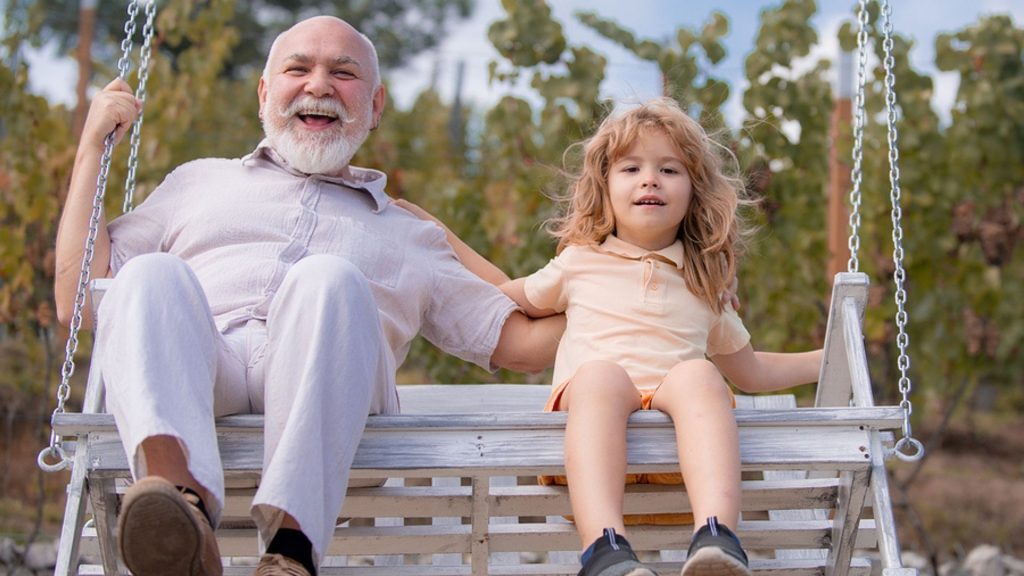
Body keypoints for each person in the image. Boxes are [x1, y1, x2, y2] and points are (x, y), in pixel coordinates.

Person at [54, 15, 561, 576]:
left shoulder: (410, 233)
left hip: (333, 401)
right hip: (204, 369)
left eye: (343, 74)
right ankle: (182, 521)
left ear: (375, 106)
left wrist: (645, 283)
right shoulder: (196, 181)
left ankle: (291, 555)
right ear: (266, 93)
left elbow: (523, 344)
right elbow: (80, 297)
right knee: (148, 274)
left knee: (329, 279)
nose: (319, 85)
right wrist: (91, 154)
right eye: (299, 69)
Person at [402, 98, 823, 576]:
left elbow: (751, 370)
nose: (650, 179)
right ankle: (604, 549)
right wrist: (439, 236)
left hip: (673, 469)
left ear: (693, 193)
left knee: (701, 375)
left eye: (669, 169)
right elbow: (502, 294)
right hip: (592, 451)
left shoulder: (704, 284)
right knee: (599, 376)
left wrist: (827, 359)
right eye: (631, 168)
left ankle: (716, 538)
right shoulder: (579, 263)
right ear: (604, 188)